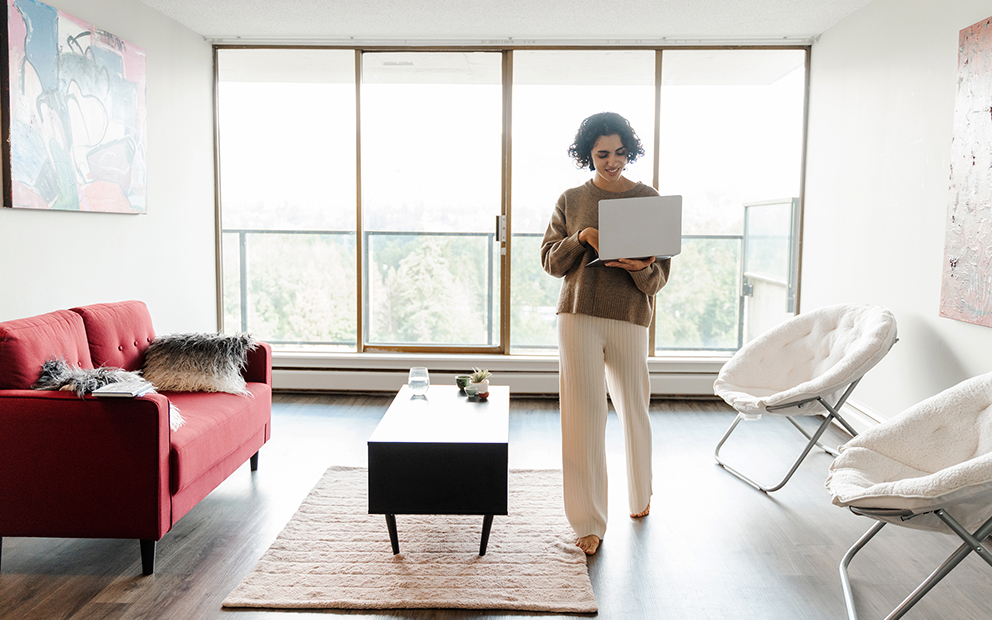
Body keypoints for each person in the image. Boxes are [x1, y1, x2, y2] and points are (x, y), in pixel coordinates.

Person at [540, 112, 672, 555]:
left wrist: (642, 267)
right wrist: (583, 236)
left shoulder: (648, 198)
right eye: (602, 154)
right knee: (582, 416)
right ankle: (588, 521)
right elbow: (550, 262)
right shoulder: (571, 198)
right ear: (587, 155)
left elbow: (659, 279)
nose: (612, 161)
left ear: (629, 151)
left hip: (630, 314)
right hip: (577, 314)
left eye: (619, 152)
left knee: (635, 406)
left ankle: (641, 494)